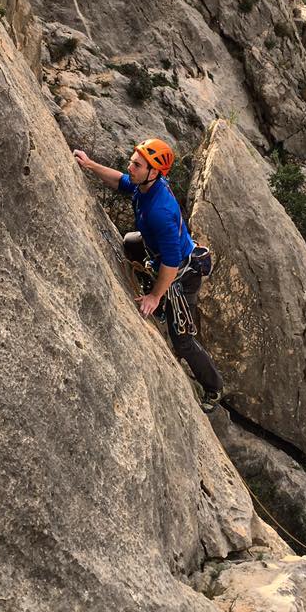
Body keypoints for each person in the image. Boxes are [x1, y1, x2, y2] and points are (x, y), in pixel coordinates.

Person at [74, 138, 224, 412]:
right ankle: (154, 287)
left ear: (153, 172)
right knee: (131, 242)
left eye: (137, 164)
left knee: (183, 339)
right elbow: (121, 181)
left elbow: (171, 262)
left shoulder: (160, 211)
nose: (130, 166)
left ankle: (214, 388)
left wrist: (155, 296)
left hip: (182, 275)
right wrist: (89, 165)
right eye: (133, 161)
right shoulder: (146, 185)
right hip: (161, 255)